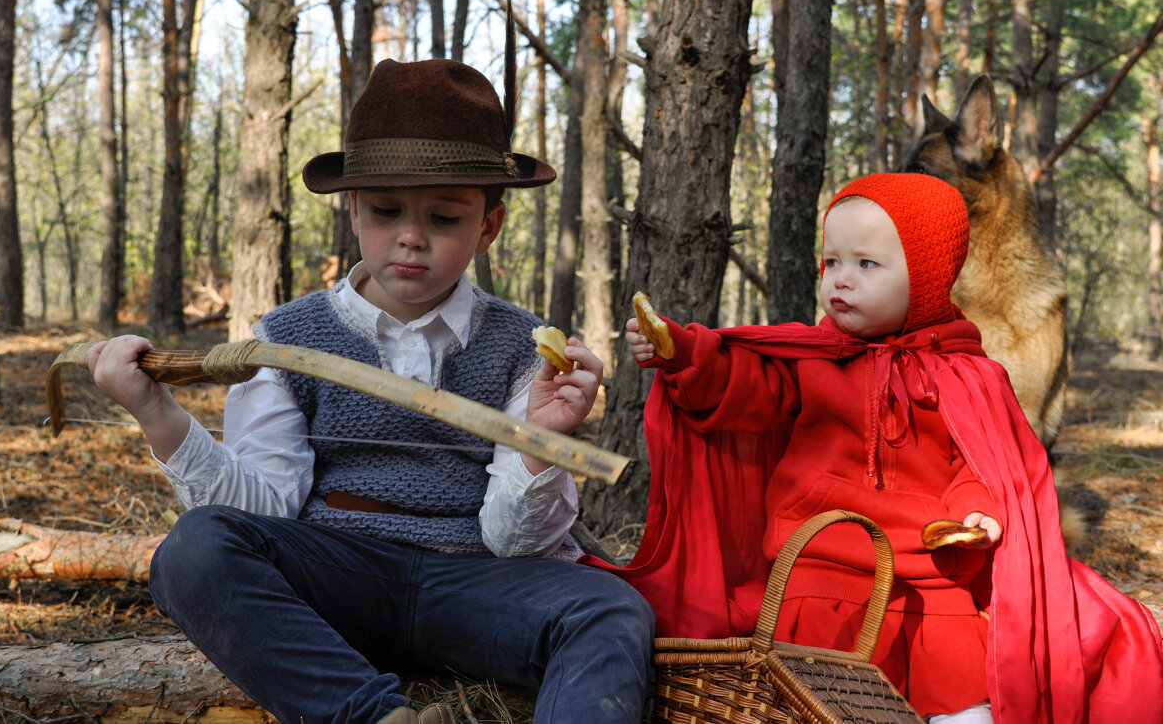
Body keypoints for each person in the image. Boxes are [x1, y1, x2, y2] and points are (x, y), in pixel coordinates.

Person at [86, 57, 654, 724]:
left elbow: (515, 544)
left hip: (478, 584)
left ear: (488, 228)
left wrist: (541, 444)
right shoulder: (287, 338)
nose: (411, 236)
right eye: (386, 211)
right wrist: (158, 416)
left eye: (444, 218)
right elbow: (265, 510)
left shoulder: (525, 346)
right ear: (353, 211)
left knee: (612, 608)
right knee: (195, 549)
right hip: (339, 583)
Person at [586, 173, 1163, 723]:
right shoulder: (813, 360)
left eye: (867, 265)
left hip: (929, 575)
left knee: (963, 692)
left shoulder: (964, 375)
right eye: (831, 261)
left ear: (927, 277)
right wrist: (687, 356)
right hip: (815, 567)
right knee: (813, 694)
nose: (841, 279)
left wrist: (975, 511)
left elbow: (979, 463)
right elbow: (747, 389)